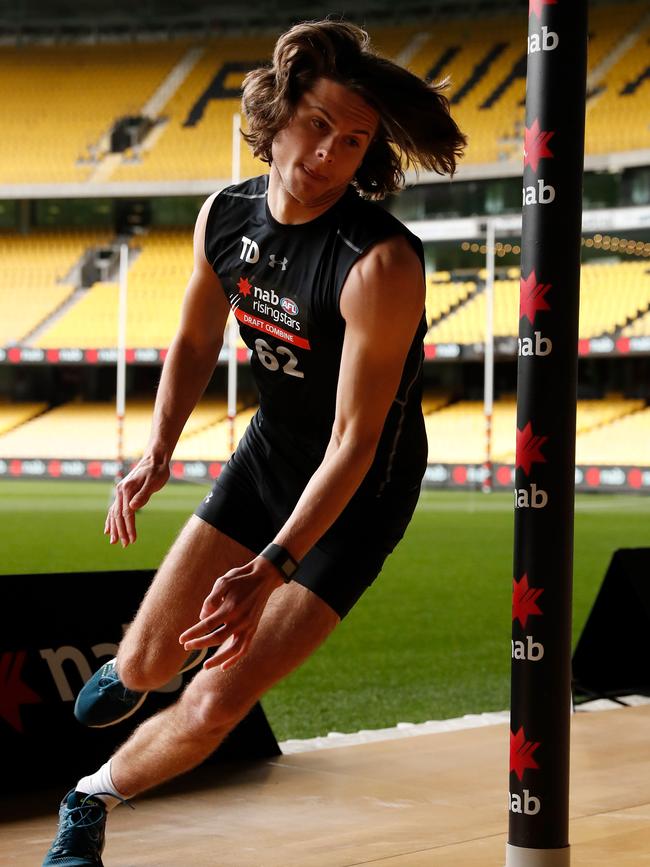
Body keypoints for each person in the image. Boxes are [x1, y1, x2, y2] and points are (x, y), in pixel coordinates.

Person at [43, 19, 465, 866]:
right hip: (271, 452)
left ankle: (88, 800)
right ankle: (132, 672)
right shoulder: (224, 215)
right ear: (275, 118)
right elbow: (196, 341)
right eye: (317, 127)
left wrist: (271, 567)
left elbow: (354, 439)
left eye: (353, 142)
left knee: (216, 698)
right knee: (148, 654)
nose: (328, 155)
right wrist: (158, 450)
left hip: (359, 494)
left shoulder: (380, 264)